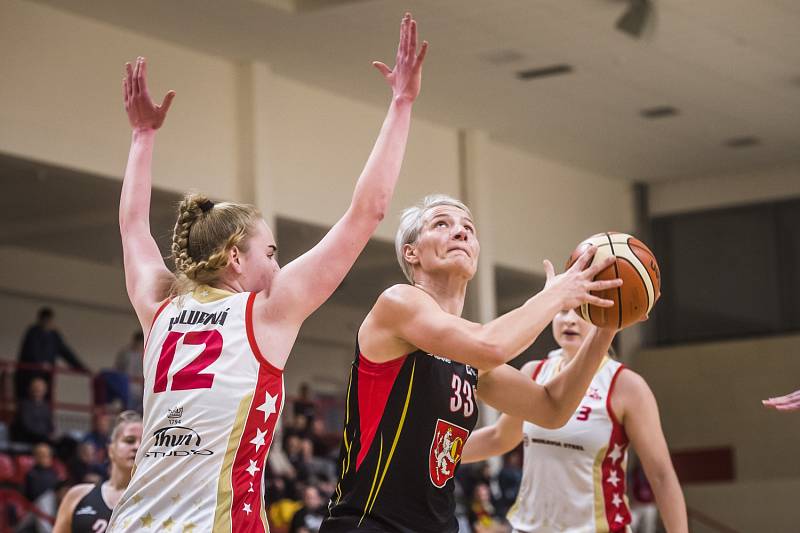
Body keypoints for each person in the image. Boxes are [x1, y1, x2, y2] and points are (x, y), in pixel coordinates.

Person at [107, 13, 427, 532]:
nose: (279, 265)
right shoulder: (267, 312)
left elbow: (132, 228)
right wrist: (402, 103)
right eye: (272, 252)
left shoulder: (158, 308)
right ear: (235, 257)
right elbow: (367, 211)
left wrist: (142, 136)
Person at [321, 194, 624, 533]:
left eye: (468, 228)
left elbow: (552, 409)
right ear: (412, 252)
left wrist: (607, 326)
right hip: (370, 525)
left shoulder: (468, 356)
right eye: (441, 224)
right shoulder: (398, 302)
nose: (461, 232)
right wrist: (554, 297)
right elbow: (491, 346)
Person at [461, 308, 688, 533]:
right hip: (529, 528)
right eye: (563, 311)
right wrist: (430, 453)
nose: (569, 320)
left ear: (603, 317)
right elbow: (499, 438)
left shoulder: (626, 385)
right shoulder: (534, 372)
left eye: (581, 312)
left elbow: (661, 475)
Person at [53, 411, 143, 533]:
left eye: (143, 443)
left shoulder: (155, 499)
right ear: (111, 449)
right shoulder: (77, 496)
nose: (137, 447)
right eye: (129, 440)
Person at [16, 308, 89, 401]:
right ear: (41, 320)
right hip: (30, 376)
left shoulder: (54, 335)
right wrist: (41, 364)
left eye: (50, 321)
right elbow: (31, 351)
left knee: (45, 401)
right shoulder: (32, 332)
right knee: (29, 401)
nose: (49, 323)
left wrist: (82, 369)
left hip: (46, 377)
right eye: (47, 320)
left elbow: (66, 352)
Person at [11, 377, 54, 444]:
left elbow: (50, 425)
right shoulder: (24, 405)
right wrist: (43, 434)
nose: (38, 390)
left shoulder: (46, 407)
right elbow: (26, 425)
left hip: (43, 437)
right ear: (30, 389)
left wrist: (51, 433)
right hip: (28, 438)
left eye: (40, 388)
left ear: (45, 390)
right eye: (36, 388)